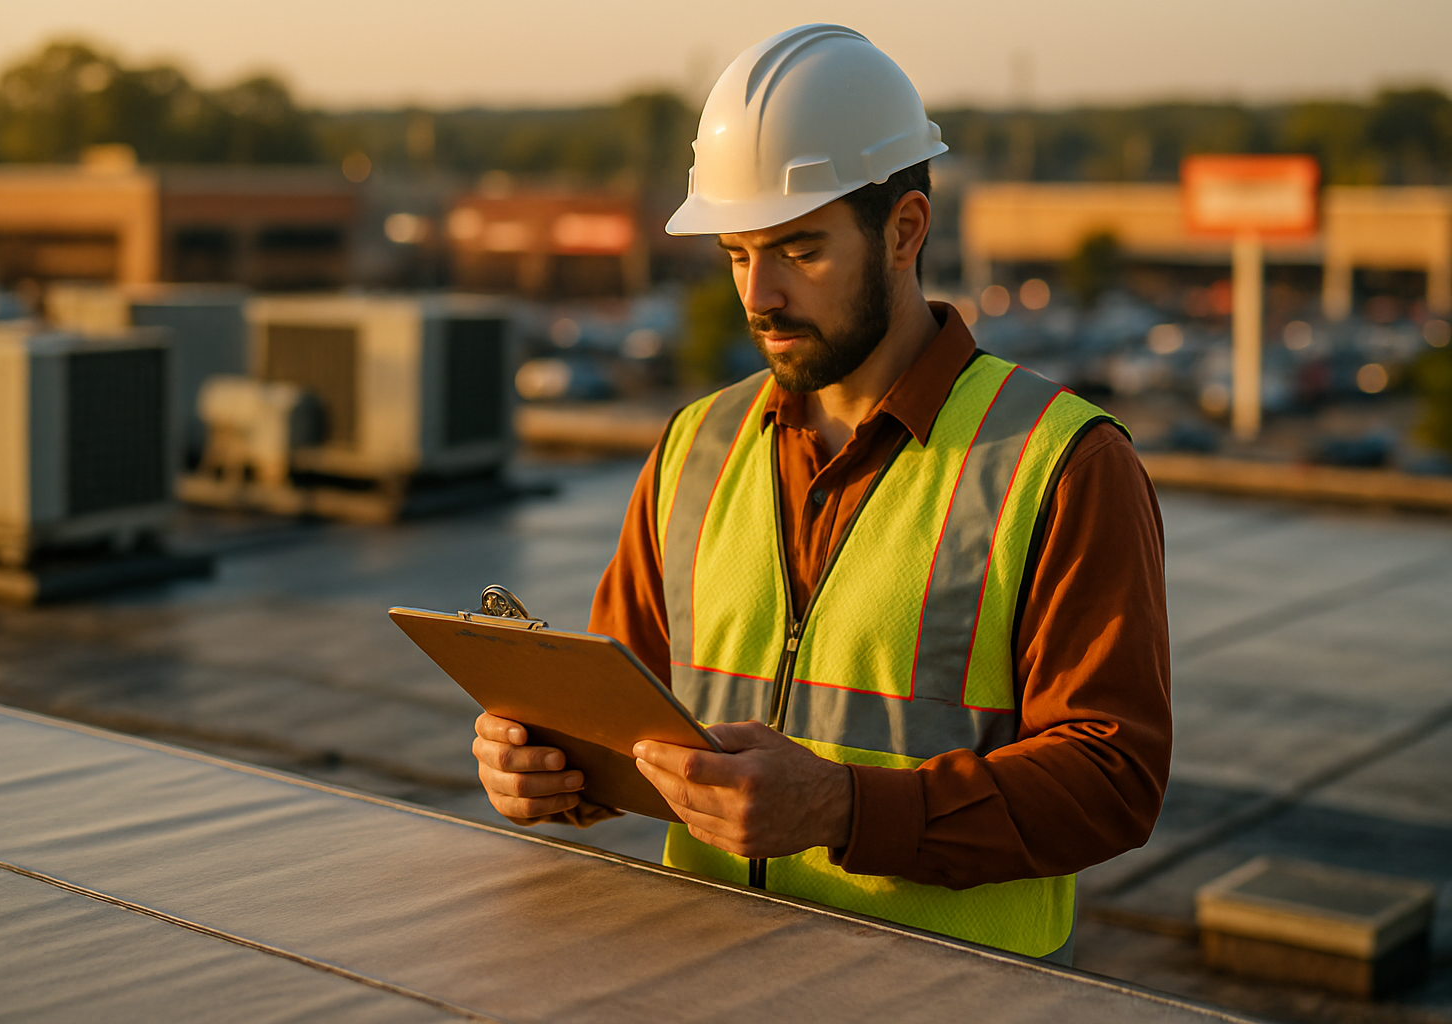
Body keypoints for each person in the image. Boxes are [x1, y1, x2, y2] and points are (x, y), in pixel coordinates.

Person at [472, 24, 1170, 963]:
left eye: (799, 251)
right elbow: (628, 725)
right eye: (736, 253)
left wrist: (844, 809)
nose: (757, 295)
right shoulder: (692, 449)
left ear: (905, 231)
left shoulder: (1063, 464)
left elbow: (1114, 779)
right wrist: (552, 771)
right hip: (707, 978)